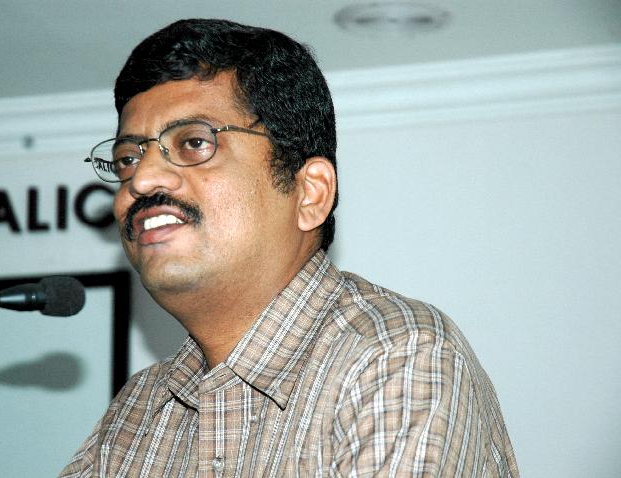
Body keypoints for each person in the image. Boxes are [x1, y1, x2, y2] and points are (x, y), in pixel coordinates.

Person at [61, 19, 518, 477]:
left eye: (194, 143)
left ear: (310, 193)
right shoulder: (136, 413)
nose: (141, 180)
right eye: (128, 159)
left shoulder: (395, 354)